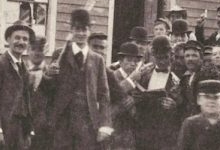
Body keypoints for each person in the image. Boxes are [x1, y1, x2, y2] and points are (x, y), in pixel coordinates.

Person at [41, 9, 112, 150]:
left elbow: (104, 95)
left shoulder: (97, 60)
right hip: (62, 122)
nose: (81, 33)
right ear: (71, 29)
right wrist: (48, 76)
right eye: (77, 29)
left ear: (89, 31)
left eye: (84, 29)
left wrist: (105, 124)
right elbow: (49, 91)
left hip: (88, 124)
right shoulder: (59, 55)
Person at [0, 21, 35, 150]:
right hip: (4, 127)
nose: (21, 42)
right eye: (17, 38)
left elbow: (27, 100)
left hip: (21, 130)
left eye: (25, 39)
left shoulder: (24, 68)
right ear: (8, 39)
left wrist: (29, 129)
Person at [132, 36, 182, 150]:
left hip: (166, 130)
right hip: (145, 129)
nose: (163, 61)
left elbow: (183, 101)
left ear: (171, 55)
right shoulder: (144, 74)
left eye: (166, 57)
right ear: (154, 56)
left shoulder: (178, 76)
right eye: (159, 58)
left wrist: (175, 105)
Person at [177, 79, 220, 150]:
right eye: (206, 97)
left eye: (216, 97)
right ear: (199, 100)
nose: (211, 101)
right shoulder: (190, 124)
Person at [109, 42, 143, 150]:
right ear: (120, 61)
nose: (133, 64)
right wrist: (130, 81)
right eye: (129, 60)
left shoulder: (139, 78)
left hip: (131, 132)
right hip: (115, 129)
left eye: (136, 61)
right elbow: (114, 94)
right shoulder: (112, 76)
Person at [27, 37, 53, 150]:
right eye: (33, 49)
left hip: (45, 131)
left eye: (40, 49)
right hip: (23, 129)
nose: (37, 53)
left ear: (46, 51)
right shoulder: (20, 71)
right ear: (28, 49)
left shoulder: (52, 74)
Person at [178, 40, 204, 116]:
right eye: (187, 56)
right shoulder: (185, 78)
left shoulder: (206, 75)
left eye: (194, 55)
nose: (190, 59)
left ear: (201, 58)